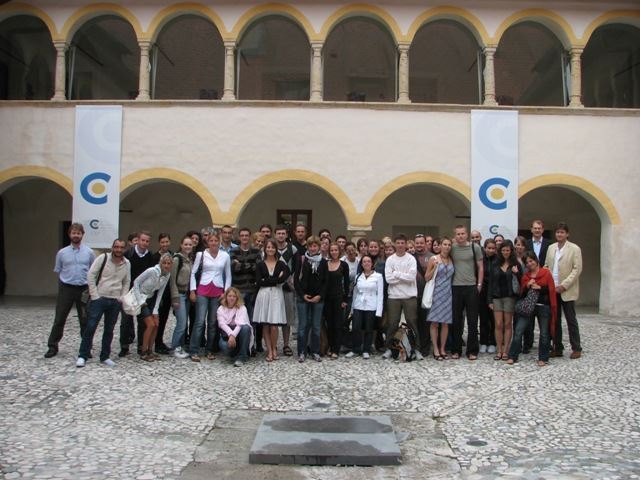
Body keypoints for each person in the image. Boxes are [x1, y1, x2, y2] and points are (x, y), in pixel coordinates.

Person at [76, 239, 130, 367]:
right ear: (112, 247)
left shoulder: (127, 263)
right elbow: (91, 275)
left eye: (121, 247)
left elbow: (126, 281)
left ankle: (105, 356)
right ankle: (83, 355)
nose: (118, 250)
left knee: (109, 329)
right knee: (91, 327)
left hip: (115, 300)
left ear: (124, 249)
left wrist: (122, 297)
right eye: (116, 247)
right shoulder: (103, 258)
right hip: (100, 299)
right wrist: (95, 295)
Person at [45, 223, 96, 358]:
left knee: (85, 319)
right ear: (69, 234)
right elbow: (58, 270)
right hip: (66, 288)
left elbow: (93, 271)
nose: (76, 235)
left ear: (82, 235)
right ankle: (52, 346)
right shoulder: (62, 253)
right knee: (59, 318)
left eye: (78, 233)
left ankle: (86, 348)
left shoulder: (89, 253)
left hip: (83, 289)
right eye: (73, 233)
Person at [507, 252, 557, 366]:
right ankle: (512, 356)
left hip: (543, 306)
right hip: (528, 307)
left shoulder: (546, 273)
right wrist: (527, 285)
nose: (529, 264)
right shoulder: (526, 276)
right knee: (518, 330)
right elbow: (522, 293)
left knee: (544, 333)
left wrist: (540, 288)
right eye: (527, 262)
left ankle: (543, 358)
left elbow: (551, 290)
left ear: (536, 260)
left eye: (531, 261)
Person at [189, 232, 231, 362]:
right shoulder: (201, 255)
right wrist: (192, 290)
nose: (214, 243)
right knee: (200, 321)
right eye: (211, 241)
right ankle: (194, 350)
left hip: (217, 290)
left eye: (216, 241)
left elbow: (228, 275)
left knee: (213, 322)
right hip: (203, 289)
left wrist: (225, 292)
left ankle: (210, 349)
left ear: (219, 242)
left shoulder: (225, 255)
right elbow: (193, 272)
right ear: (208, 242)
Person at [544, 222, 583, 359]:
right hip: (553, 288)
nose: (559, 234)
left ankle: (576, 348)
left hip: (567, 290)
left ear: (567, 234)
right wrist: (548, 282)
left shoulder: (574, 249)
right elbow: (546, 265)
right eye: (557, 232)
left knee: (571, 319)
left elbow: (577, 269)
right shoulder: (551, 248)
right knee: (555, 320)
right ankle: (557, 347)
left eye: (562, 232)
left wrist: (564, 285)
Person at [383, 234, 423, 360]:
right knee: (392, 323)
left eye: (402, 243)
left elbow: (411, 277)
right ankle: (390, 348)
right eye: (398, 243)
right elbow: (389, 279)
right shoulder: (390, 260)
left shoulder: (411, 259)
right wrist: (403, 276)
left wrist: (396, 273)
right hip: (394, 296)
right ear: (395, 244)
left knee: (412, 322)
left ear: (406, 244)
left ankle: (416, 349)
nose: (400, 245)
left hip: (409, 296)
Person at [119, 231, 155, 357]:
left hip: (142, 293)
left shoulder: (150, 256)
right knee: (126, 320)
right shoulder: (128, 254)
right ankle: (124, 346)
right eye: (142, 240)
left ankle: (141, 345)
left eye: (147, 241)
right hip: (128, 291)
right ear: (138, 240)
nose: (144, 243)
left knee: (142, 321)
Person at [450, 226, 484, 360]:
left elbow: (480, 267)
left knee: (472, 320)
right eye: (458, 234)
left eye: (462, 233)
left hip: (471, 286)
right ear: (455, 235)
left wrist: (479, 284)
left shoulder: (475, 248)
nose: (460, 236)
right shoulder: (452, 248)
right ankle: (456, 349)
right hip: (456, 287)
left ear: (467, 234)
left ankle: (472, 350)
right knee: (456, 320)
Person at [253, 238, 290, 362]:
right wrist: (275, 279)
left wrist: (268, 280)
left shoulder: (281, 264)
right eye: (268, 247)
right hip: (263, 295)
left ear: (276, 249)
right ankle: (269, 350)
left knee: (274, 326)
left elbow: (283, 279)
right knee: (266, 324)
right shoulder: (260, 264)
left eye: (273, 247)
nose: (270, 249)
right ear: (265, 249)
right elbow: (259, 281)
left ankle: (274, 348)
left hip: (276, 295)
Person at [132, 253, 173, 361]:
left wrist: (155, 310)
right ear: (160, 263)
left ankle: (150, 350)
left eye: (169, 263)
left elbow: (160, 293)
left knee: (156, 324)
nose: (166, 265)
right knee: (150, 325)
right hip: (141, 298)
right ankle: (143, 351)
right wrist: (140, 300)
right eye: (164, 263)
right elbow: (136, 282)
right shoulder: (151, 271)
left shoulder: (167, 275)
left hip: (151, 299)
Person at [294, 235, 328, 363]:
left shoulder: (323, 262)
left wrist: (320, 296)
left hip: (318, 298)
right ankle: (302, 352)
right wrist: (302, 294)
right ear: (307, 247)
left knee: (316, 326)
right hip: (303, 297)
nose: (313, 248)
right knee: (303, 326)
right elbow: (296, 280)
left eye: (315, 246)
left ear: (319, 247)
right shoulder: (302, 260)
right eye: (310, 246)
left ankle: (315, 351)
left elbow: (326, 282)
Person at [488, 240, 523, 361]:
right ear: (500, 251)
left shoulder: (515, 264)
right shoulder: (495, 264)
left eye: (507, 250)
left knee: (508, 324)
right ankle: (499, 350)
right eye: (503, 250)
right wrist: (489, 300)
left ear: (511, 251)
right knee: (498, 324)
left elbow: (522, 281)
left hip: (509, 297)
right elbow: (491, 283)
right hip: (496, 297)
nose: (505, 252)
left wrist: (517, 273)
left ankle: (506, 350)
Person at [346, 254, 383, 359]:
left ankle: (366, 349)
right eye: (364, 261)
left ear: (372, 264)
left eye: (368, 261)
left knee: (368, 328)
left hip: (371, 305)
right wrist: (352, 309)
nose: (366, 263)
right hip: (358, 304)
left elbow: (380, 294)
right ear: (361, 264)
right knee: (356, 327)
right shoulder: (358, 276)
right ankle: (355, 349)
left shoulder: (378, 276)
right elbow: (355, 293)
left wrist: (379, 311)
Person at [230, 228, 260, 352]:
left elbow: (257, 268)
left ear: (249, 236)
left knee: (252, 319)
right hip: (239, 291)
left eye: (246, 235)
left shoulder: (256, 251)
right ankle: (239, 346)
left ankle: (251, 346)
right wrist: (249, 266)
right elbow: (234, 268)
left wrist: (241, 264)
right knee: (238, 319)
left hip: (252, 290)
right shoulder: (234, 251)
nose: (244, 237)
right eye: (242, 235)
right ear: (239, 237)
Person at [425, 237, 454, 360]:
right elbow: (427, 277)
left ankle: (442, 348)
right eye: (445, 244)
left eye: (449, 245)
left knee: (445, 323)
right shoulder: (434, 259)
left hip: (448, 294)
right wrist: (434, 268)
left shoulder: (451, 259)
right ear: (440, 246)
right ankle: (435, 349)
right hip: (436, 293)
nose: (447, 247)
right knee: (435, 322)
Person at [274, 225, 297, 357]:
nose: (281, 235)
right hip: (274, 286)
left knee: (287, 317)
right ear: (275, 235)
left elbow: (296, 267)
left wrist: (291, 280)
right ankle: (274, 345)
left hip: (288, 286)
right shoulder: (271, 248)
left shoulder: (292, 249)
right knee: (274, 317)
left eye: (283, 233)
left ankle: (286, 345)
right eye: (279, 233)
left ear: (286, 235)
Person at [169, 235, 193, 359]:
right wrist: (175, 298)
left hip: (187, 294)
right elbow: (172, 280)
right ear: (181, 245)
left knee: (183, 323)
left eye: (190, 244)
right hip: (179, 294)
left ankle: (179, 346)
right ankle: (174, 347)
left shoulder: (189, 259)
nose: (188, 246)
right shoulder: (177, 259)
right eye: (186, 244)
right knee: (182, 323)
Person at [325, 243, 350, 359]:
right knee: (329, 324)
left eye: (336, 250)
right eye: (332, 250)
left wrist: (345, 299)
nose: (334, 252)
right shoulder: (325, 264)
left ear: (339, 251)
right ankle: (330, 346)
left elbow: (346, 283)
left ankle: (336, 349)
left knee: (337, 324)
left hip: (338, 297)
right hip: (327, 298)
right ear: (329, 252)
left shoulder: (344, 265)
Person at [217, 287, 253, 367]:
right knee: (224, 346)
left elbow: (240, 324)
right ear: (226, 297)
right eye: (229, 296)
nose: (232, 298)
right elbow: (222, 324)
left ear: (237, 298)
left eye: (234, 296)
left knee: (246, 328)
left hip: (240, 334)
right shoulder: (220, 309)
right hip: (227, 335)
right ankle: (234, 354)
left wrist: (232, 335)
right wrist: (231, 335)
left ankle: (242, 357)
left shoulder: (242, 308)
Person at [151, 233, 172, 354]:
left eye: (167, 242)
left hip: (167, 292)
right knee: (155, 320)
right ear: (159, 243)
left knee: (164, 319)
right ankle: (151, 343)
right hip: (157, 293)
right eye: (162, 242)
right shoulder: (154, 257)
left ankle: (159, 341)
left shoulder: (172, 255)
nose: (165, 244)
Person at [414, 234, 434, 355]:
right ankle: (415, 345)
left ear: (426, 243)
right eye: (417, 243)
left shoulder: (432, 257)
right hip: (413, 294)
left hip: (428, 294)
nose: (419, 245)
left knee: (426, 322)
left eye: (421, 243)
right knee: (414, 321)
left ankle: (425, 347)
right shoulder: (410, 257)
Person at [479, 239, 498, 354]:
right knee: (483, 318)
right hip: (482, 292)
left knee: (494, 319)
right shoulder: (481, 259)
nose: (490, 250)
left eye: (493, 248)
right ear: (485, 248)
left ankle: (492, 342)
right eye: (488, 248)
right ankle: (483, 341)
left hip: (495, 293)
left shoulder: (498, 260)